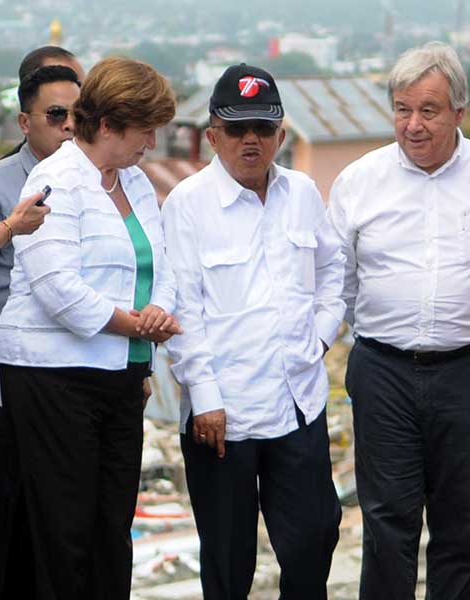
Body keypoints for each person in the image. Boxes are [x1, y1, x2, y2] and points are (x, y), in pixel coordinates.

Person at [328, 41, 470, 599]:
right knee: (387, 521)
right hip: (384, 371)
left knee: (459, 523)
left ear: (459, 114)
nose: (414, 124)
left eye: (429, 110)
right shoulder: (359, 181)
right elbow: (340, 280)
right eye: (403, 109)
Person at [0, 57, 180, 600]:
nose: (151, 140)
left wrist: (158, 313)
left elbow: (160, 264)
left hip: (119, 378)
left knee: (110, 530)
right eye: (144, 128)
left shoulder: (138, 182)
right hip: (53, 377)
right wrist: (138, 326)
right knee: (65, 530)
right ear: (108, 125)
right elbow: (58, 292)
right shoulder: (55, 178)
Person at [162, 64, 344, 600]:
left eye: (263, 129)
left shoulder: (303, 192)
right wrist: (206, 397)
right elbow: (182, 310)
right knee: (227, 559)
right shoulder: (188, 204)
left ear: (281, 135)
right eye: (237, 128)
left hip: (297, 404)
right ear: (213, 134)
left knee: (315, 537)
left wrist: (320, 336)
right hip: (224, 416)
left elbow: (334, 269)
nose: (250, 140)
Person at [0, 63, 79, 600]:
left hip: (65, 394)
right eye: (56, 114)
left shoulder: (95, 185)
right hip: (0, 394)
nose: (69, 126)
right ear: (24, 121)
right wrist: (10, 228)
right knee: (0, 540)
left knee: (52, 545)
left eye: (78, 114)